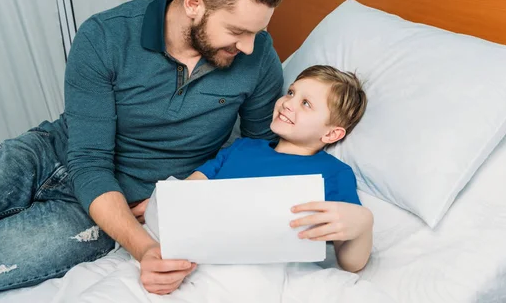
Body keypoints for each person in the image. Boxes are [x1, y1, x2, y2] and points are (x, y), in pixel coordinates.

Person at [0, 0, 286, 301]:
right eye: (237, 31)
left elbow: (261, 154)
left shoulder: (258, 58)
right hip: (47, 153)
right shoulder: (106, 36)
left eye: (257, 33)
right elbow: (89, 160)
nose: (248, 47)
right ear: (194, 3)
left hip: (105, 208)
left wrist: (173, 212)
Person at [143, 65, 373, 275]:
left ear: (332, 134)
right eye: (291, 92)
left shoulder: (334, 173)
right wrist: (165, 201)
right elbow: (192, 187)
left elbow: (351, 263)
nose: (287, 103)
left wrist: (363, 224)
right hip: (204, 254)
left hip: (269, 271)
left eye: (306, 103)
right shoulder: (244, 146)